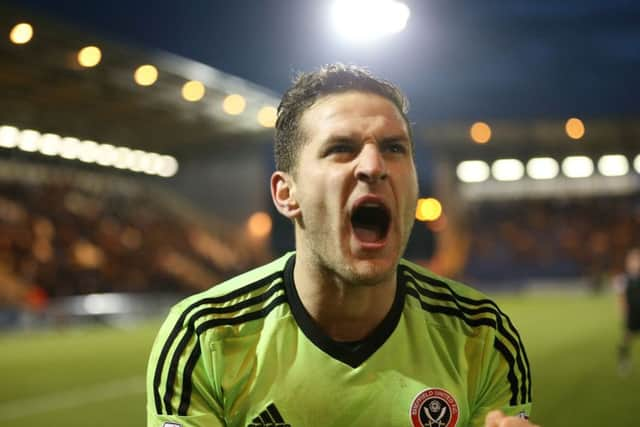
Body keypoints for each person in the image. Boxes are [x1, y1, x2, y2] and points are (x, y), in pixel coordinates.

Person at [147, 64, 536, 427]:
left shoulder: (482, 338)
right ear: (287, 194)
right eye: (341, 148)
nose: (373, 166)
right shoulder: (203, 338)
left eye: (394, 148)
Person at [615, 247, 640, 375]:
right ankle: (623, 361)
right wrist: (623, 313)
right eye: (633, 260)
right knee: (628, 337)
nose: (636, 263)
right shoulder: (623, 279)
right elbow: (621, 298)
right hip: (632, 314)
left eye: (637, 260)